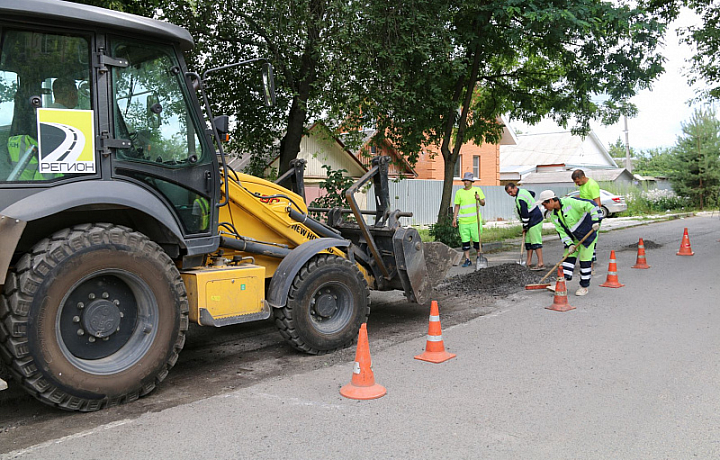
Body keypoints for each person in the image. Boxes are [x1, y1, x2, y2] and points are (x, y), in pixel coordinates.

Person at [538, 189, 602, 296]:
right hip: (574, 238)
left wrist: (596, 221)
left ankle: (584, 287)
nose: (545, 208)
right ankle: (562, 285)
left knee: (585, 261)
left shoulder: (570, 202)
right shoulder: (553, 215)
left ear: (551, 201)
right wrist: (570, 244)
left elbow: (591, 205)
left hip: (587, 234)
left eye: (545, 205)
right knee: (567, 259)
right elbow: (561, 232)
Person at [504, 182, 544, 270]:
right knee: (528, 242)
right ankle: (528, 262)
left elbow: (525, 214)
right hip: (531, 219)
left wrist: (525, 227)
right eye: (508, 193)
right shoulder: (523, 191)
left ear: (515, 188)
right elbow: (532, 194)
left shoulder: (520, 198)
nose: (511, 194)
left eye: (511, 192)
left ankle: (540, 263)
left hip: (535, 219)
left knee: (536, 242)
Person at [452, 172, 485, 267]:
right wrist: (454, 218)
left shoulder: (477, 190)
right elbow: (457, 206)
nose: (465, 182)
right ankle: (467, 259)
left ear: (471, 181)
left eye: (467, 180)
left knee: (477, 241)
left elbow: (483, 203)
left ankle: (479, 257)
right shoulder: (459, 192)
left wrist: (479, 199)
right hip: (463, 222)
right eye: (464, 180)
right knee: (465, 242)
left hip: (475, 221)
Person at [572, 169, 601, 273]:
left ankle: (591, 267)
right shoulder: (583, 185)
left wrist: (594, 219)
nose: (577, 184)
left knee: (590, 241)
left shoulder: (592, 185)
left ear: (583, 177)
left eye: (578, 182)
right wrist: (573, 199)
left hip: (592, 217)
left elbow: (597, 203)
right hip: (584, 216)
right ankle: (588, 265)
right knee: (584, 240)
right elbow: (584, 197)